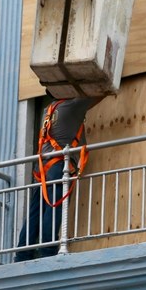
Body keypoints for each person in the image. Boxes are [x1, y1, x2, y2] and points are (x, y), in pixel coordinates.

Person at [14, 96, 102, 262]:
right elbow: (101, 91)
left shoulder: (50, 108)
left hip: (43, 169)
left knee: (36, 212)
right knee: (54, 209)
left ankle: (23, 254)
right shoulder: (73, 104)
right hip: (58, 167)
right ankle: (48, 250)